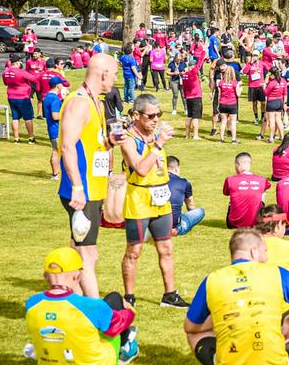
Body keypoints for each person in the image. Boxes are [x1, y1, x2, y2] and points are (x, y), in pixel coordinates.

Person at [184, 230, 289, 365]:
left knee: (194, 335)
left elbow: (190, 327)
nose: (266, 258)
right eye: (265, 252)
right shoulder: (277, 273)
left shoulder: (212, 279)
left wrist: (224, 317)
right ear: (254, 252)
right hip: (274, 361)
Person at [118, 93, 193, 308]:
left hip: (161, 200)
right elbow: (140, 169)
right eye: (150, 116)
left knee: (167, 248)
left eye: (158, 115)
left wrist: (157, 142)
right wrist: (158, 145)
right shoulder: (128, 140)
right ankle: (129, 296)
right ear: (136, 115)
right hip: (139, 200)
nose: (155, 119)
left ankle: (170, 294)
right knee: (134, 250)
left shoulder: (155, 135)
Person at [57, 53, 120, 298]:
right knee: (88, 255)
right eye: (113, 73)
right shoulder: (79, 102)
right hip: (82, 191)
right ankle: (95, 312)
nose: (115, 78)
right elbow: (67, 146)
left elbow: (91, 142)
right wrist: (77, 187)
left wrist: (109, 141)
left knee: (78, 250)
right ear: (104, 73)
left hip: (94, 187)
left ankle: (69, 299)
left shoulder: (98, 102)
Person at [24, 247, 138, 365]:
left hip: (52, 358)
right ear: (77, 275)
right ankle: (127, 348)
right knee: (114, 300)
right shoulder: (92, 306)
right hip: (96, 361)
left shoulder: (32, 303)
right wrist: (130, 309)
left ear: (45, 276)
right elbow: (121, 322)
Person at [223, 152, 271, 228]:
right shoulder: (262, 180)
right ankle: (258, 217)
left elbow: (226, 193)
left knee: (232, 198)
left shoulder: (230, 180)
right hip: (257, 224)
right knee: (262, 192)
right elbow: (267, 186)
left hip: (233, 224)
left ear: (237, 164)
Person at [3, 54, 39, 144]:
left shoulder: (5, 72)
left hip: (11, 96)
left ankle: (16, 138)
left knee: (15, 117)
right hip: (23, 97)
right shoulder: (21, 72)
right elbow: (34, 78)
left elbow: (5, 83)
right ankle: (31, 138)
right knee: (28, 118)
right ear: (18, 62)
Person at [42, 76, 69, 180]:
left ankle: (55, 174)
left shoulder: (47, 97)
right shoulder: (55, 99)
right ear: (58, 85)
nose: (62, 86)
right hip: (57, 129)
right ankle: (58, 174)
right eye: (61, 84)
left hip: (52, 128)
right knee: (59, 152)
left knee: (55, 151)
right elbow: (55, 116)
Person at [216, 65, 240, 144]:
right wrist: (240, 88)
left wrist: (218, 104)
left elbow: (219, 94)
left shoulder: (221, 83)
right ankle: (233, 140)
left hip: (223, 103)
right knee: (233, 122)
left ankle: (221, 139)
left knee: (223, 121)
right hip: (232, 103)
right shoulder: (235, 83)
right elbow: (238, 94)